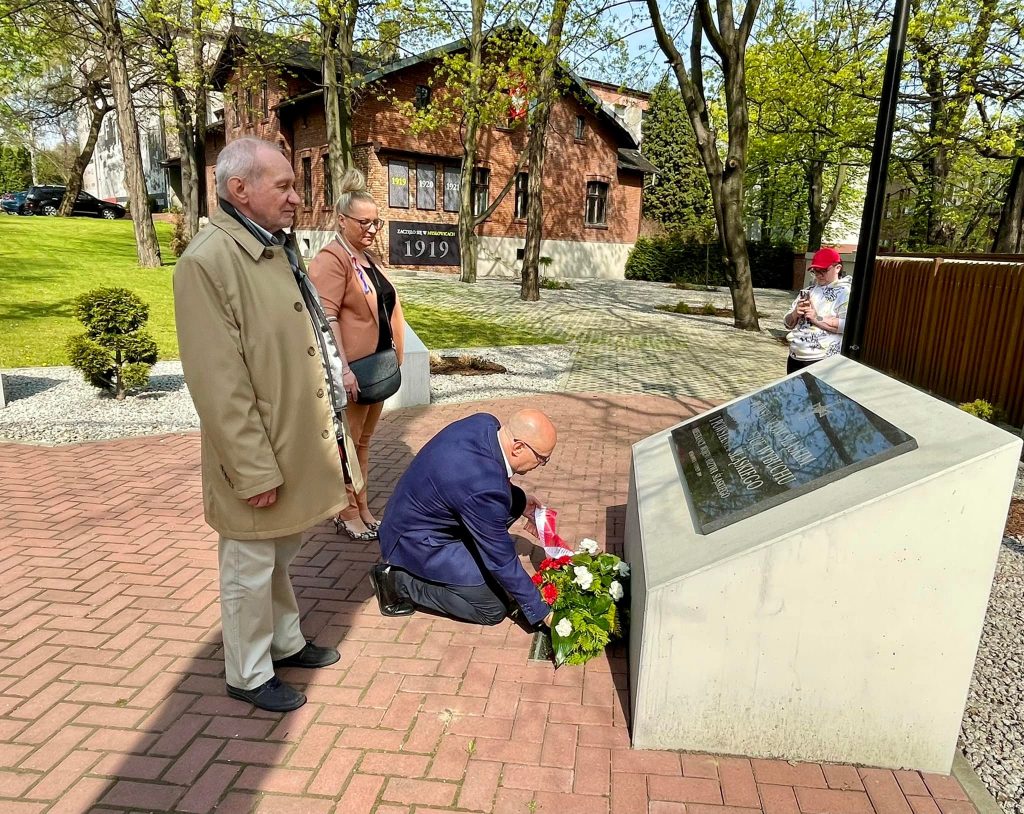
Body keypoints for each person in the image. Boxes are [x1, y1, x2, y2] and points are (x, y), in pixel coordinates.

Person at [174, 137, 363, 713]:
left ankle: (284, 641)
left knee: (279, 553)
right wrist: (253, 469)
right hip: (258, 453)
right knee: (249, 563)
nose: (295, 195)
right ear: (240, 190)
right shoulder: (207, 262)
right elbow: (219, 384)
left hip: (293, 441)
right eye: (282, 184)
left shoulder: (276, 247)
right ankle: (248, 672)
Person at [371, 410, 557, 630]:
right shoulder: (482, 486)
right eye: (542, 459)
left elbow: (484, 482)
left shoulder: (485, 423)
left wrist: (521, 502)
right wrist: (542, 611)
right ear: (518, 448)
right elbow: (502, 559)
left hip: (414, 514)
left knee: (505, 509)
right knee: (492, 607)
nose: (541, 464)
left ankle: (467, 555)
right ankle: (398, 583)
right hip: (414, 540)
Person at [308, 168, 405, 542]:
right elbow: (326, 318)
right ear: (342, 220)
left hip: (376, 369)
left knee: (362, 443)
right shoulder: (333, 260)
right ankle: (346, 511)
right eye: (363, 222)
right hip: (353, 374)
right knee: (345, 444)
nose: (371, 229)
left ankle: (362, 506)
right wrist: (342, 370)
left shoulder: (365, 258)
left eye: (376, 223)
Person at [782, 246, 853, 374]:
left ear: (837, 268)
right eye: (815, 271)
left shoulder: (845, 293)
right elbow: (787, 324)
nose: (819, 275)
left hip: (822, 359)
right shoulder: (809, 290)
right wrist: (794, 314)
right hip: (795, 357)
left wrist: (816, 318)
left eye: (823, 270)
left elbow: (848, 326)